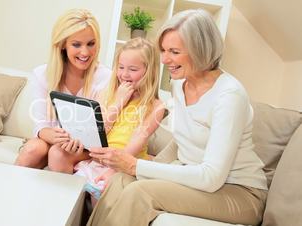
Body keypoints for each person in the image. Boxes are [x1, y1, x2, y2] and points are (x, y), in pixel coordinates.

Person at [87, 9, 268, 226]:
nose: (164, 60)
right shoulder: (179, 84)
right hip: (202, 182)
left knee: (140, 192)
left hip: (240, 193)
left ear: (200, 50)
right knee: (119, 180)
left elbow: (211, 177)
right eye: (163, 50)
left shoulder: (229, 95)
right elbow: (181, 141)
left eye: (174, 51)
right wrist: (129, 169)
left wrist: (136, 166)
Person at [69, 38, 165, 199]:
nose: (124, 74)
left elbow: (138, 141)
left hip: (125, 163)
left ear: (149, 71)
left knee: (102, 191)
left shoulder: (156, 106)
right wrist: (119, 102)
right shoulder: (107, 94)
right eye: (120, 67)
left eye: (133, 69)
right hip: (100, 159)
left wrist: (113, 169)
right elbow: (97, 133)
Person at [14, 9, 111, 168]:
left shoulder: (105, 77)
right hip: (52, 140)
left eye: (91, 44)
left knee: (58, 152)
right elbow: (40, 125)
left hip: (87, 148)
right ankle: (8, 189)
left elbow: (102, 130)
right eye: (76, 44)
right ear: (63, 45)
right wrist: (54, 136)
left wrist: (76, 140)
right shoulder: (42, 74)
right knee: (32, 149)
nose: (85, 52)